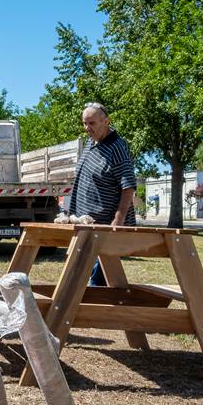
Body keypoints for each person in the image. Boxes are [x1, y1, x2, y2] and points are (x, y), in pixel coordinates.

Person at [70, 102, 136, 286]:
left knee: (96, 284)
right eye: (84, 123)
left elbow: (128, 186)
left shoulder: (117, 147)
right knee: (80, 282)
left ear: (106, 121)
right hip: (87, 227)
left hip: (105, 229)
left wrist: (118, 220)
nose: (87, 128)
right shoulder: (91, 143)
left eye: (92, 123)